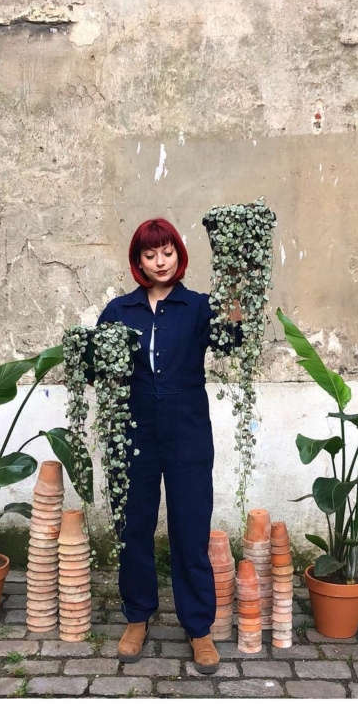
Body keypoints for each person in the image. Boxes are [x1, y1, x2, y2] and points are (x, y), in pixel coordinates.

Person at [94, 217, 242, 674]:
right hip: (133, 431)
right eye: (150, 254)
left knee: (190, 528)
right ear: (138, 261)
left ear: (179, 253)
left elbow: (229, 343)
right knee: (134, 527)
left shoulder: (198, 306)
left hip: (187, 430)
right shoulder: (120, 310)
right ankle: (137, 617)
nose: (160, 261)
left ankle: (198, 628)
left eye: (167, 252)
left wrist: (236, 302)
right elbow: (95, 364)